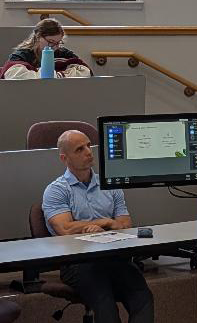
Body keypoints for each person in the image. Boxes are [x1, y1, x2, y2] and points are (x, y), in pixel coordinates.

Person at [42, 130, 154, 323]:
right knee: (105, 305)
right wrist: (105, 222)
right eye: (79, 149)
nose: (88, 152)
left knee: (143, 297)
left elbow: (125, 224)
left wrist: (107, 223)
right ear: (64, 158)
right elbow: (65, 229)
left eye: (88, 145)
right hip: (79, 263)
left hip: (113, 257)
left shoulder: (109, 184)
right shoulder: (56, 190)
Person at [1, 18, 91, 79]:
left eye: (58, 43)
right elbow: (13, 75)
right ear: (38, 37)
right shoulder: (22, 55)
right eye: (51, 42)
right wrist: (47, 75)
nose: (55, 47)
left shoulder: (64, 53)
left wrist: (58, 76)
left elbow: (85, 71)